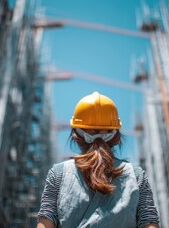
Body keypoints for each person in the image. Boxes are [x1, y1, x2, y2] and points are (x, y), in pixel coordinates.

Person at [37, 92, 160, 228]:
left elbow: (46, 222)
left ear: (76, 135)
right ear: (116, 136)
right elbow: (149, 222)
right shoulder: (136, 176)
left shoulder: (58, 174)